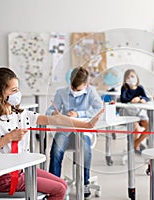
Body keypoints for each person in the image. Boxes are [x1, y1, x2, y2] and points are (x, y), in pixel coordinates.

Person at [0, 67, 103, 200]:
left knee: (62, 184)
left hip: (23, 169)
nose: (18, 94)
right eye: (13, 90)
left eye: (18, 89)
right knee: (59, 190)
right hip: (6, 177)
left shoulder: (21, 114)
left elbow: (56, 119)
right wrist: (8, 138)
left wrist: (86, 125)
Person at [46, 67, 103, 199]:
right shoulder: (61, 92)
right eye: (73, 88)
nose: (75, 91)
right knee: (56, 151)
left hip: (83, 129)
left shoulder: (91, 92)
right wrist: (55, 114)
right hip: (65, 129)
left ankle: (85, 183)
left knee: (85, 150)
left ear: (86, 85)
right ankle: (53, 185)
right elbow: (49, 111)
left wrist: (79, 114)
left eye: (79, 89)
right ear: (70, 82)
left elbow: (99, 109)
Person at [120, 69, 149, 153]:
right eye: (128, 77)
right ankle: (135, 147)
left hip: (140, 113)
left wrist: (140, 98)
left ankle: (135, 144)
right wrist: (132, 99)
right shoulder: (124, 88)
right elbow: (123, 99)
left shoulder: (140, 88)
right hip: (129, 113)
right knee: (136, 129)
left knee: (149, 127)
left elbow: (146, 97)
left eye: (132, 76)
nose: (130, 79)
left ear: (136, 78)